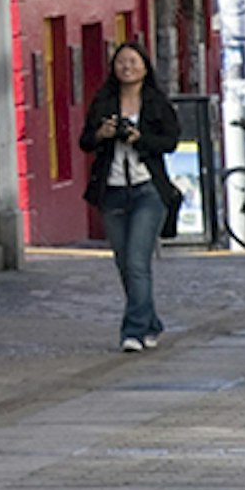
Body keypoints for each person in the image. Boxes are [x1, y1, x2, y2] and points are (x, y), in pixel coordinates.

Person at [79, 37, 181, 353]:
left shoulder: (155, 102)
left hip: (147, 190)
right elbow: (85, 141)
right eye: (121, 62)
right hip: (112, 191)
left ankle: (133, 331)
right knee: (124, 264)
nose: (127, 67)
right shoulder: (104, 101)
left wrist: (140, 138)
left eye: (133, 62)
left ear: (144, 67)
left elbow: (170, 141)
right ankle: (151, 322)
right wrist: (102, 134)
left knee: (138, 261)